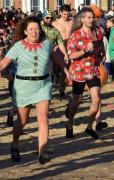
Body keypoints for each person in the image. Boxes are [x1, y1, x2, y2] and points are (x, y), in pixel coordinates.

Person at [0, 16, 70, 164]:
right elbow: (3, 64)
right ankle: (14, 144)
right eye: (31, 29)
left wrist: (65, 69)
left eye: (37, 29)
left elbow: (55, 57)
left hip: (43, 85)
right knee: (23, 120)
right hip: (23, 87)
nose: (34, 32)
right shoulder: (18, 46)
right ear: (25, 31)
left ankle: (42, 152)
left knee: (43, 118)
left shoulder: (47, 43)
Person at [65, 7, 105, 139]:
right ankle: (69, 123)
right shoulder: (75, 35)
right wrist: (85, 51)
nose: (92, 19)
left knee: (97, 98)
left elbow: (100, 46)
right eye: (89, 17)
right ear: (82, 19)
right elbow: (71, 55)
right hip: (79, 71)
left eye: (93, 17)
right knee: (77, 100)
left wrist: (102, 54)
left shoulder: (98, 32)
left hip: (92, 70)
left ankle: (89, 127)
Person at [41, 9, 69, 100]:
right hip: (38, 55)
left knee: (52, 73)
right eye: (47, 17)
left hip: (51, 55)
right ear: (43, 17)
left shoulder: (54, 30)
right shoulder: (38, 27)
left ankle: (55, 92)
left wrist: (65, 54)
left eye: (50, 18)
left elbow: (60, 43)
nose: (49, 19)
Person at [52, 5, 73, 99]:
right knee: (60, 68)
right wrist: (54, 46)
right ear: (60, 13)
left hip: (69, 46)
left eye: (68, 14)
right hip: (58, 47)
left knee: (66, 69)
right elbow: (51, 37)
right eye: (64, 14)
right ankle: (59, 88)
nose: (66, 16)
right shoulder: (55, 23)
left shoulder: (72, 22)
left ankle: (62, 90)